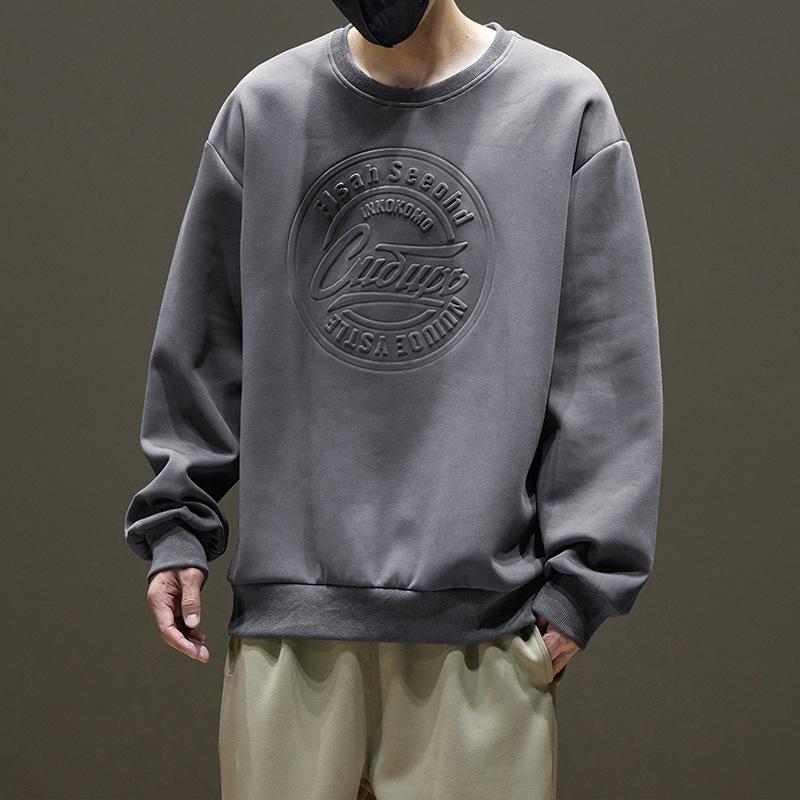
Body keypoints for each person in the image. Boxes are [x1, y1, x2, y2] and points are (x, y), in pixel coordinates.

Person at [123, 1, 663, 797]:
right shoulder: (265, 109)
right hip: (289, 628)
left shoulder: (560, 108)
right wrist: (177, 529)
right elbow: (203, 341)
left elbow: (606, 362)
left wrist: (582, 588)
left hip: (484, 633)